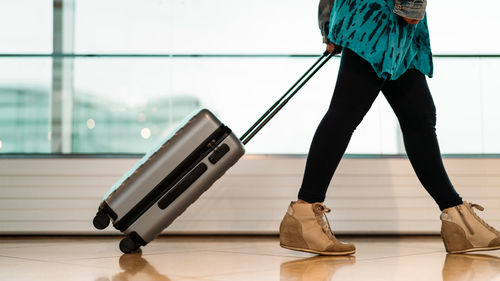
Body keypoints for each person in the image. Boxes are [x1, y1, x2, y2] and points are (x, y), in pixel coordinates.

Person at [279, 0, 500, 256]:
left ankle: (459, 221)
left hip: (368, 15)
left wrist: (330, 25)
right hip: (382, 17)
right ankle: (304, 213)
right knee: (348, 113)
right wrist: (411, 6)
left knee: (418, 117)